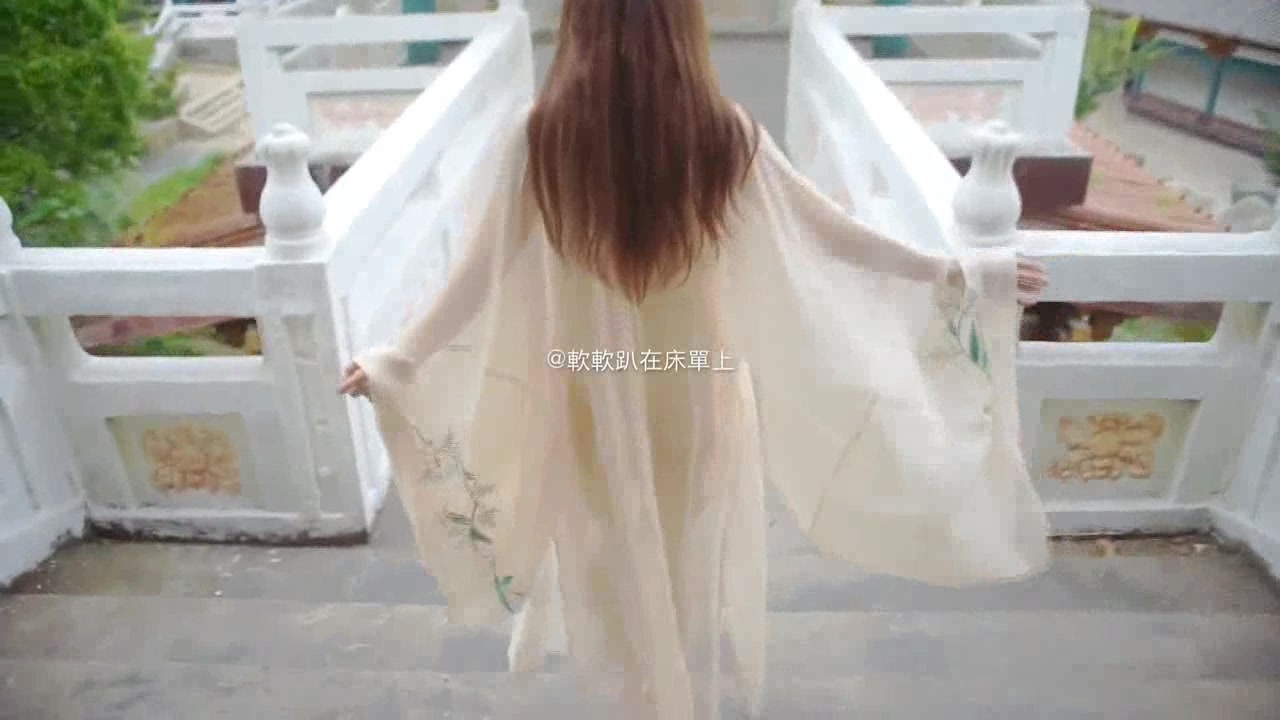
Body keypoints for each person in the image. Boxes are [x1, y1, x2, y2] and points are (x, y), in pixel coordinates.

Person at [339, 1, 1048, 717]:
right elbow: (827, 234)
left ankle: (639, 699)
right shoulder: (721, 136)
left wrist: (402, 358)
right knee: (687, 565)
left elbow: (478, 272)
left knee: (611, 565)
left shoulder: (543, 137)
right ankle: (677, 697)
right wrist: (950, 273)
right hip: (696, 395)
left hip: (591, 401)